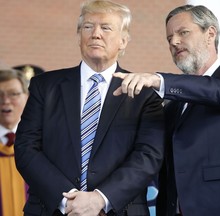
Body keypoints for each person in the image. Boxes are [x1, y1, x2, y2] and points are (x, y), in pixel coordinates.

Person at [113, 4, 220, 216]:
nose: (174, 42)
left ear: (210, 33)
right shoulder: (173, 105)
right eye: (169, 39)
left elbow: (217, 91)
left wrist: (158, 80)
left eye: (183, 33)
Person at [14, 0, 165, 216]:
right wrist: (68, 200)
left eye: (106, 28)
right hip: (53, 209)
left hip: (118, 210)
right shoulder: (44, 86)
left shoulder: (144, 93)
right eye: (88, 27)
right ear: (79, 36)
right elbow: (26, 147)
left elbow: (148, 156)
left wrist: (100, 199)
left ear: (123, 40)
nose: (96, 34)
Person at [0, 69, 29, 216]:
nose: (5, 100)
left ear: (27, 97)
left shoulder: (45, 144)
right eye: (0, 95)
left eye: (13, 94)